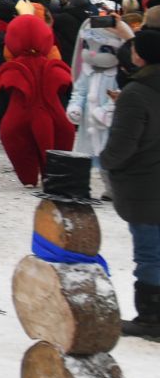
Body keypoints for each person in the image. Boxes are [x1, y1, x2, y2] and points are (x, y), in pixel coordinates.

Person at [101, 29, 160, 337]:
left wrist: (104, 161)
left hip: (146, 188)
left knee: (150, 254)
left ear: (140, 55)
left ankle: (151, 316)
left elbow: (122, 147)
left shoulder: (136, 94)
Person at [0, 14, 75, 186]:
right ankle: (53, 173)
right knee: (62, 132)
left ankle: (28, 177)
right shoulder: (52, 65)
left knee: (12, 133)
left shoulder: (13, 69)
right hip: (53, 109)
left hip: (21, 110)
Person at [68, 18, 126, 169]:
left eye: (104, 49)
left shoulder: (118, 75)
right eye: (87, 46)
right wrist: (76, 107)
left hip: (108, 128)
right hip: (87, 128)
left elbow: (120, 96)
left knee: (108, 162)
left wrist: (105, 112)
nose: (92, 53)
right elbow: (80, 91)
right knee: (86, 159)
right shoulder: (87, 71)